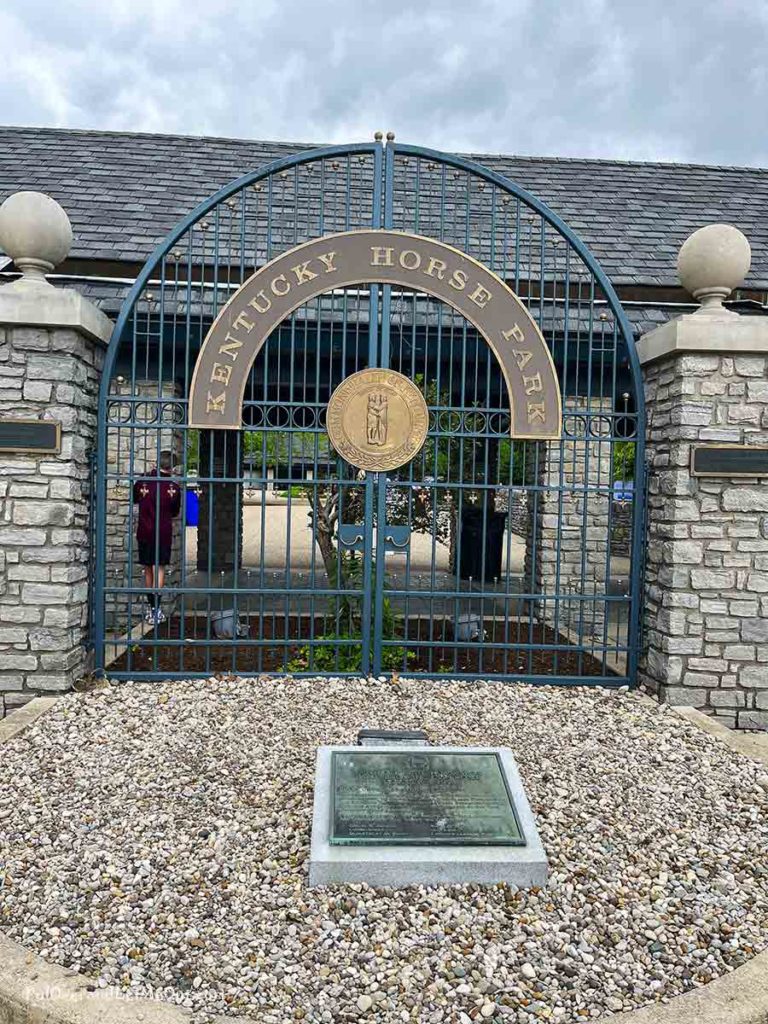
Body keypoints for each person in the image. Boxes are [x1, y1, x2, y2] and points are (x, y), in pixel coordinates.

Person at [132, 451, 181, 624]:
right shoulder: (173, 488)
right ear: (173, 467)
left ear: (156, 462)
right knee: (159, 568)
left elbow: (135, 499)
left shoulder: (143, 481)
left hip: (145, 531)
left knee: (148, 569)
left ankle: (151, 608)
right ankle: (156, 609)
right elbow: (175, 511)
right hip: (163, 532)